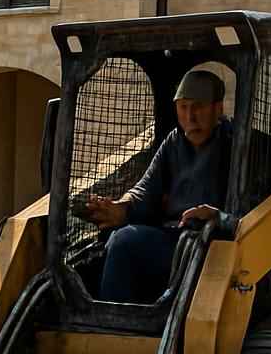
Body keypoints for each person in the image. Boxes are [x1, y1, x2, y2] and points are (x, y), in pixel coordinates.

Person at [83, 69, 233, 303]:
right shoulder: (174, 142)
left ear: (218, 108)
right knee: (115, 239)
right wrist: (120, 209)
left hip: (212, 247)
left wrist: (218, 216)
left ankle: (118, 324)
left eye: (198, 107)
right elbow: (145, 190)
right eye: (183, 107)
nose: (190, 116)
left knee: (126, 242)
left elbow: (252, 214)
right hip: (173, 239)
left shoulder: (234, 143)